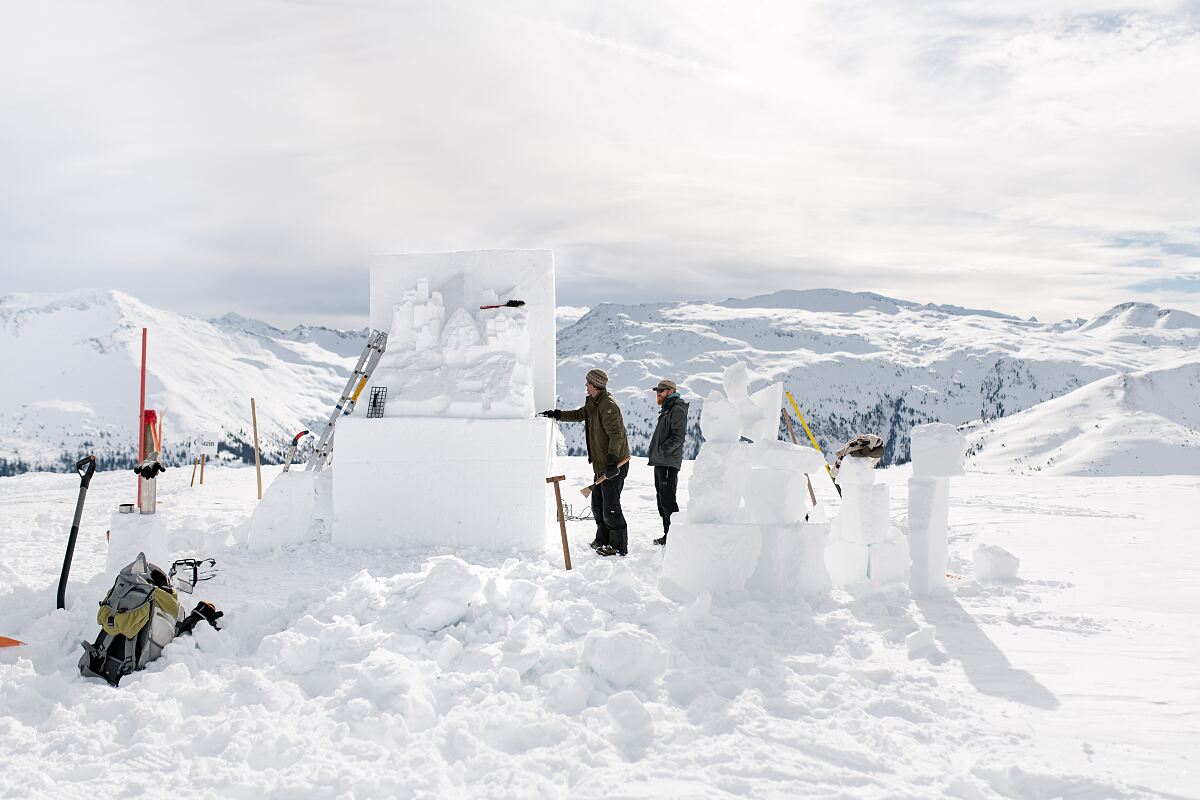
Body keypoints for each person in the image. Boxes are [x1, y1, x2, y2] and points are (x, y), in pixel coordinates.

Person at [540, 368, 631, 556]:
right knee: (598, 505)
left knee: (611, 506)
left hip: (615, 465)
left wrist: (612, 460)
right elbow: (579, 414)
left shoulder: (608, 406)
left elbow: (617, 435)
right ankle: (602, 539)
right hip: (602, 464)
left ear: (595, 385)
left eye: (588, 383)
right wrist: (557, 414)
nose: (586, 385)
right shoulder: (594, 403)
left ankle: (618, 546)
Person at [646, 379, 689, 545]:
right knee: (661, 499)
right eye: (657, 391)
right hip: (661, 461)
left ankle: (675, 537)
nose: (658, 393)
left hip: (668, 462)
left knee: (667, 500)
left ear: (671, 391)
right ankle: (669, 535)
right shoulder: (667, 409)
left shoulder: (676, 408)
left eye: (662, 390)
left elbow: (678, 437)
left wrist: (663, 450)